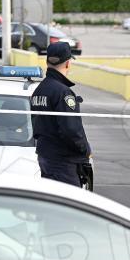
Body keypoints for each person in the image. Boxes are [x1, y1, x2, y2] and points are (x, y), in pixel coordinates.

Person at [30, 42, 91, 187]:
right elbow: (71, 129)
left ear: (47, 61)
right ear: (68, 63)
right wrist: (85, 150)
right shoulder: (63, 92)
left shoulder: (39, 90)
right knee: (70, 199)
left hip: (46, 156)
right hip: (63, 161)